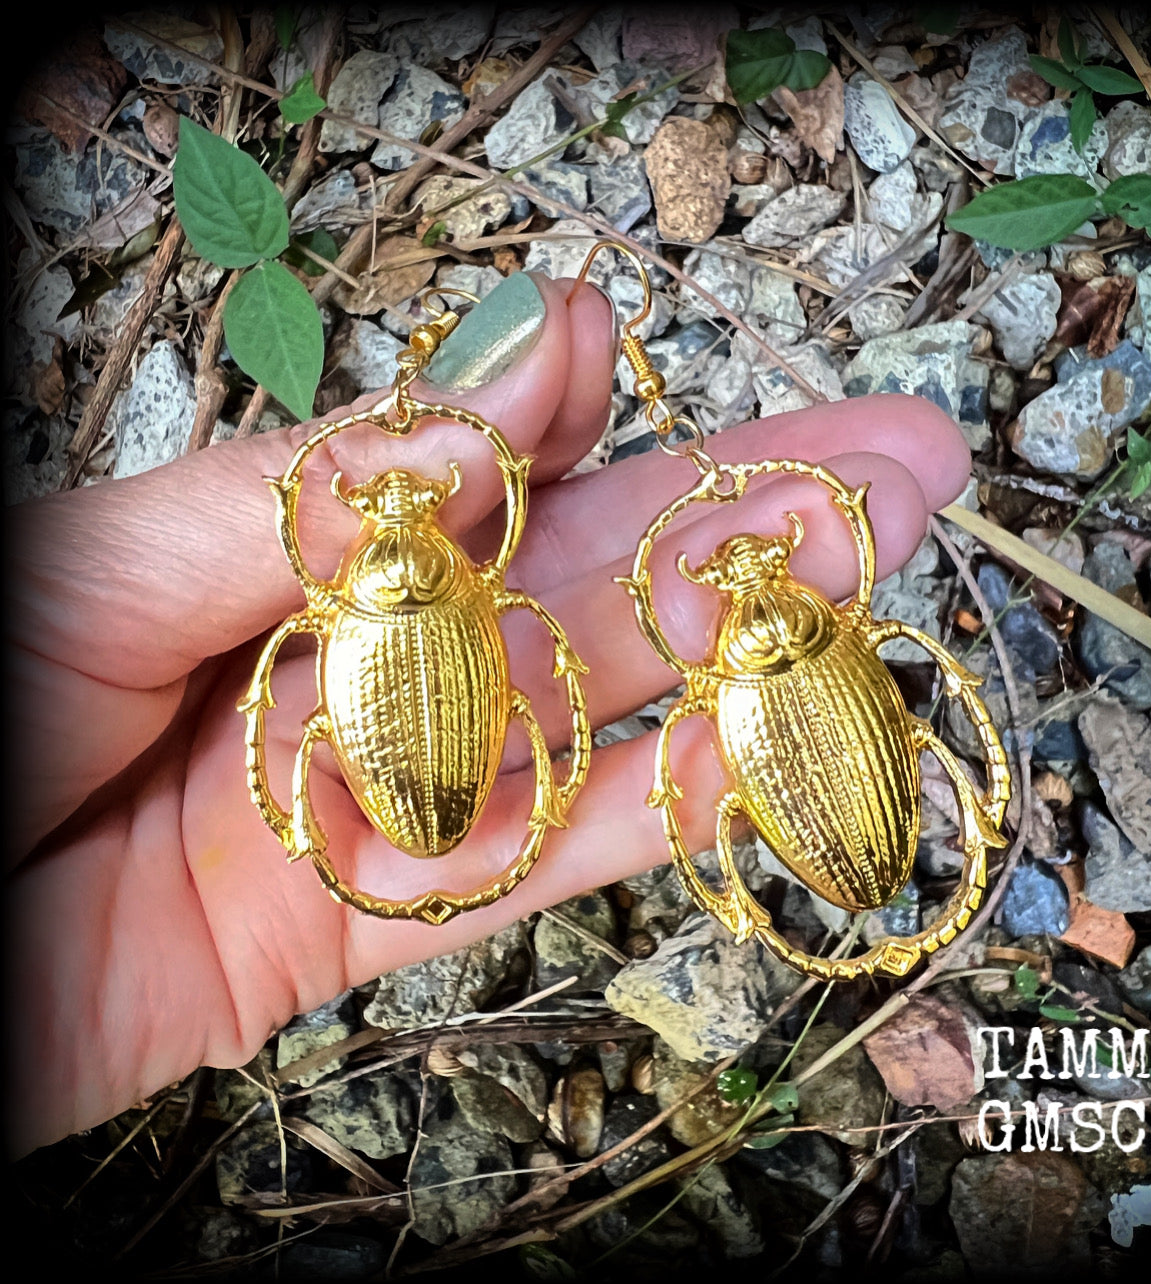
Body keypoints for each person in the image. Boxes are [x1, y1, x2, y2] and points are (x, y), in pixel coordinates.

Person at [6, 272, 972, 1157]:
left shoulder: (369, 595)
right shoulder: (462, 593)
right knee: (543, 710)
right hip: (439, 713)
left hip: (415, 715)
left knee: (507, 716)